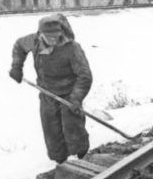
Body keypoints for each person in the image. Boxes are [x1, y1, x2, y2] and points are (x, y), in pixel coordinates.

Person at [9, 13, 93, 163]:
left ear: (61, 32)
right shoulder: (34, 41)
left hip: (69, 93)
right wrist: (17, 66)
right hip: (47, 92)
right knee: (51, 129)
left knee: (73, 127)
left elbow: (85, 76)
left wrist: (76, 98)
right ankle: (60, 162)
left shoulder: (72, 48)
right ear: (41, 34)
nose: (53, 38)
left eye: (56, 34)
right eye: (49, 35)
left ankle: (82, 157)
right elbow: (19, 46)